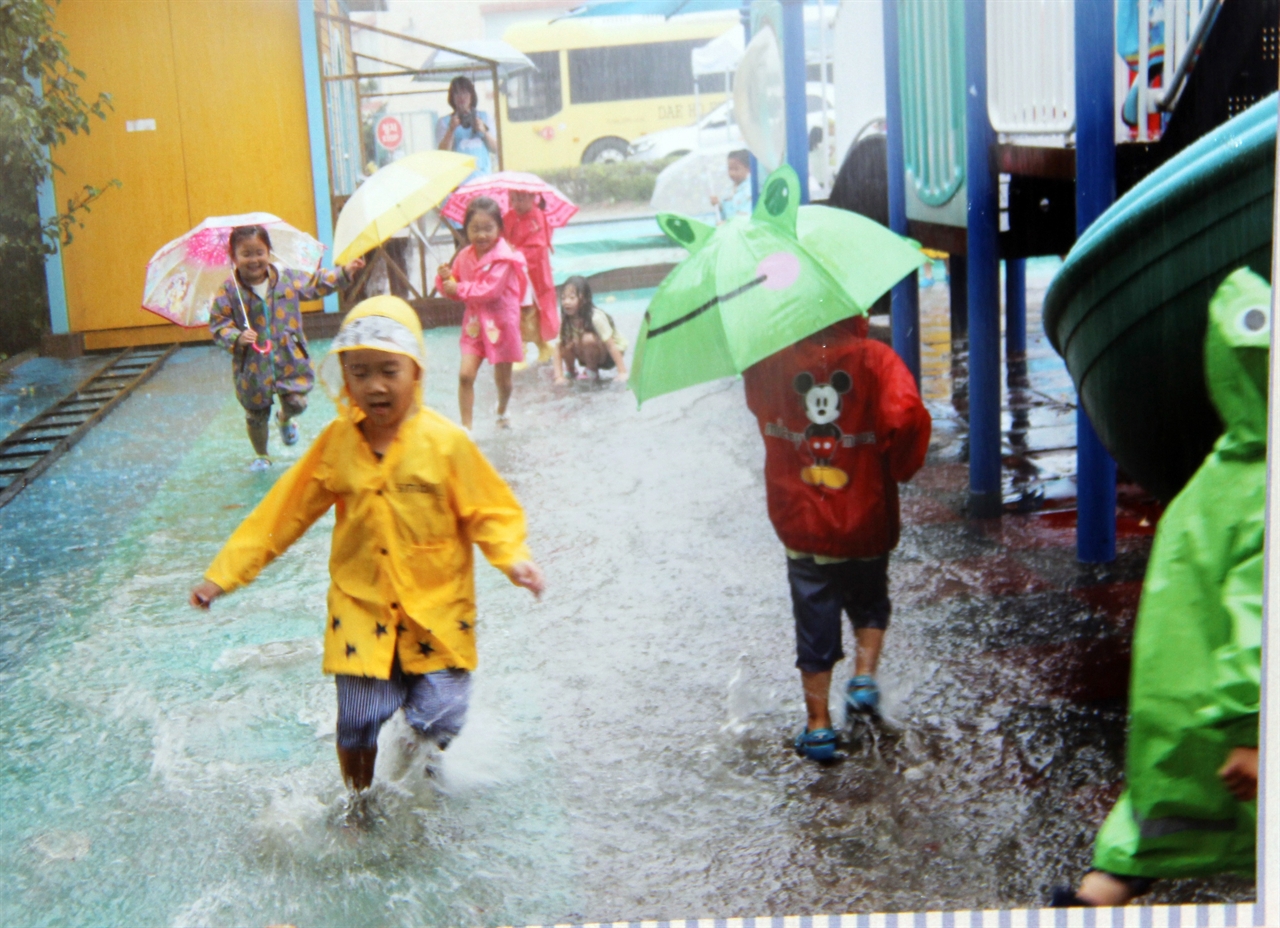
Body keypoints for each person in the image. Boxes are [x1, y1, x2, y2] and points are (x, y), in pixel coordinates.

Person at [189, 295, 545, 804]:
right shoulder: (337, 444)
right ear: (345, 378)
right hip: (361, 608)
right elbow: (281, 513)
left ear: (415, 370)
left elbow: (489, 509)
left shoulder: (445, 444)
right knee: (356, 722)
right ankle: (358, 800)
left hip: (436, 610)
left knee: (440, 714)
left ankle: (422, 755)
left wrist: (513, 558)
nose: (375, 385)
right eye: (359, 372)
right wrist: (222, 575)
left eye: (389, 370)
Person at [1052, 267, 1265, 907]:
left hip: (1173, 719)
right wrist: (1253, 728)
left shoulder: (1213, 480)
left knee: (1139, 846)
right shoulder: (1262, 492)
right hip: (1233, 724)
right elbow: (1256, 619)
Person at [742, 314, 930, 761]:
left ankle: (819, 726)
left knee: (814, 621)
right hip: (866, 517)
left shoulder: (769, 361)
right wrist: (899, 466)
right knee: (870, 601)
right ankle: (863, 677)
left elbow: (759, 404)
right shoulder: (876, 359)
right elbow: (905, 415)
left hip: (802, 523)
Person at [208, 225, 364, 471]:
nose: (254, 259)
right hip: (252, 365)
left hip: (288, 356)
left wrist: (343, 273)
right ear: (234, 257)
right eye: (246, 254)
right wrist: (236, 336)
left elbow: (315, 283)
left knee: (297, 403)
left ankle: (285, 419)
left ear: (269, 252)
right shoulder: (230, 291)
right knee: (255, 414)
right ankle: (262, 454)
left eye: (259, 252)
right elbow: (219, 322)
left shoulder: (285, 279)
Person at [436, 197, 528, 430]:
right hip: (475, 325)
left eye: (488, 228)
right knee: (465, 375)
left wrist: (459, 287)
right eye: (475, 229)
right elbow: (455, 291)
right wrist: (445, 279)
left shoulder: (505, 258)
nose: (482, 235)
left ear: (499, 229)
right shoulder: (465, 256)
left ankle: (502, 409)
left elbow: (490, 291)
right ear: (466, 229)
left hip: (502, 324)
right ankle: (466, 428)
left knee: (503, 381)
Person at [437, 75, 497, 247]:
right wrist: (451, 130)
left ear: (472, 95)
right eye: (456, 94)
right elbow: (442, 153)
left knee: (486, 235)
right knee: (463, 241)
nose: (461, 98)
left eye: (465, 93)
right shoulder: (445, 122)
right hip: (460, 191)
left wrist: (484, 131)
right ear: (452, 98)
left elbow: (496, 148)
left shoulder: (484, 117)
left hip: (483, 188)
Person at [504, 190, 559, 366]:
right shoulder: (508, 217)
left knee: (528, 310)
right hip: (512, 271)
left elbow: (538, 246)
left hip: (532, 275)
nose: (517, 203)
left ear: (532, 197)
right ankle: (539, 346)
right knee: (514, 309)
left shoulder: (537, 218)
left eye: (521, 198)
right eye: (514, 199)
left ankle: (523, 351)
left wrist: (517, 253)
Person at [552, 276, 628, 384]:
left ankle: (592, 370)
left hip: (607, 357)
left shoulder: (595, 317)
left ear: (583, 299)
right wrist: (558, 376)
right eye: (563, 298)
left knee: (588, 339)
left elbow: (611, 344)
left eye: (572, 298)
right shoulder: (566, 321)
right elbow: (558, 348)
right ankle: (571, 370)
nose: (566, 302)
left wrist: (622, 372)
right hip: (585, 352)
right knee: (565, 342)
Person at [710, 150, 752, 224]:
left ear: (748, 169)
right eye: (730, 168)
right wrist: (718, 206)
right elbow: (725, 213)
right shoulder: (728, 190)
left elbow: (746, 215)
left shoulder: (750, 189)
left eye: (736, 169)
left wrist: (727, 223)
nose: (732, 173)